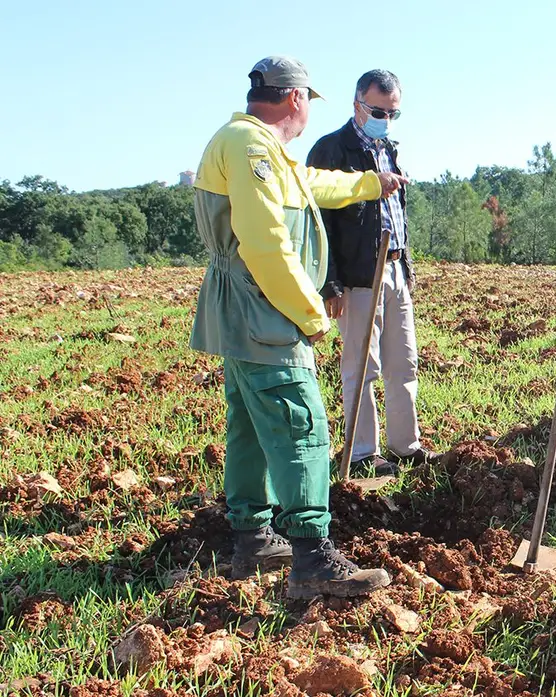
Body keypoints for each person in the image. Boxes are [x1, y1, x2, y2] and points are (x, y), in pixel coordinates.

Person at [189, 55, 406, 599]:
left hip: (240, 309)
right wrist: (310, 313)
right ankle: (312, 557)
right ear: (295, 99)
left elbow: (313, 184)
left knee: (250, 426)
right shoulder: (253, 147)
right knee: (300, 423)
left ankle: (252, 535)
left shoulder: (252, 145)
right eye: (308, 100)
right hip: (265, 309)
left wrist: (369, 184)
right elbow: (266, 243)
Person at [306, 69, 439, 478]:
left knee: (405, 361)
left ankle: (405, 445)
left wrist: (408, 266)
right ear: (356, 105)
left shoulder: (389, 149)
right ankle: (364, 453)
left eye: (393, 112)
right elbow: (319, 222)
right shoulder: (332, 150)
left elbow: (397, 215)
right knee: (362, 366)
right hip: (358, 275)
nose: (385, 118)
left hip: (395, 266)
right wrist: (331, 282)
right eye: (378, 110)